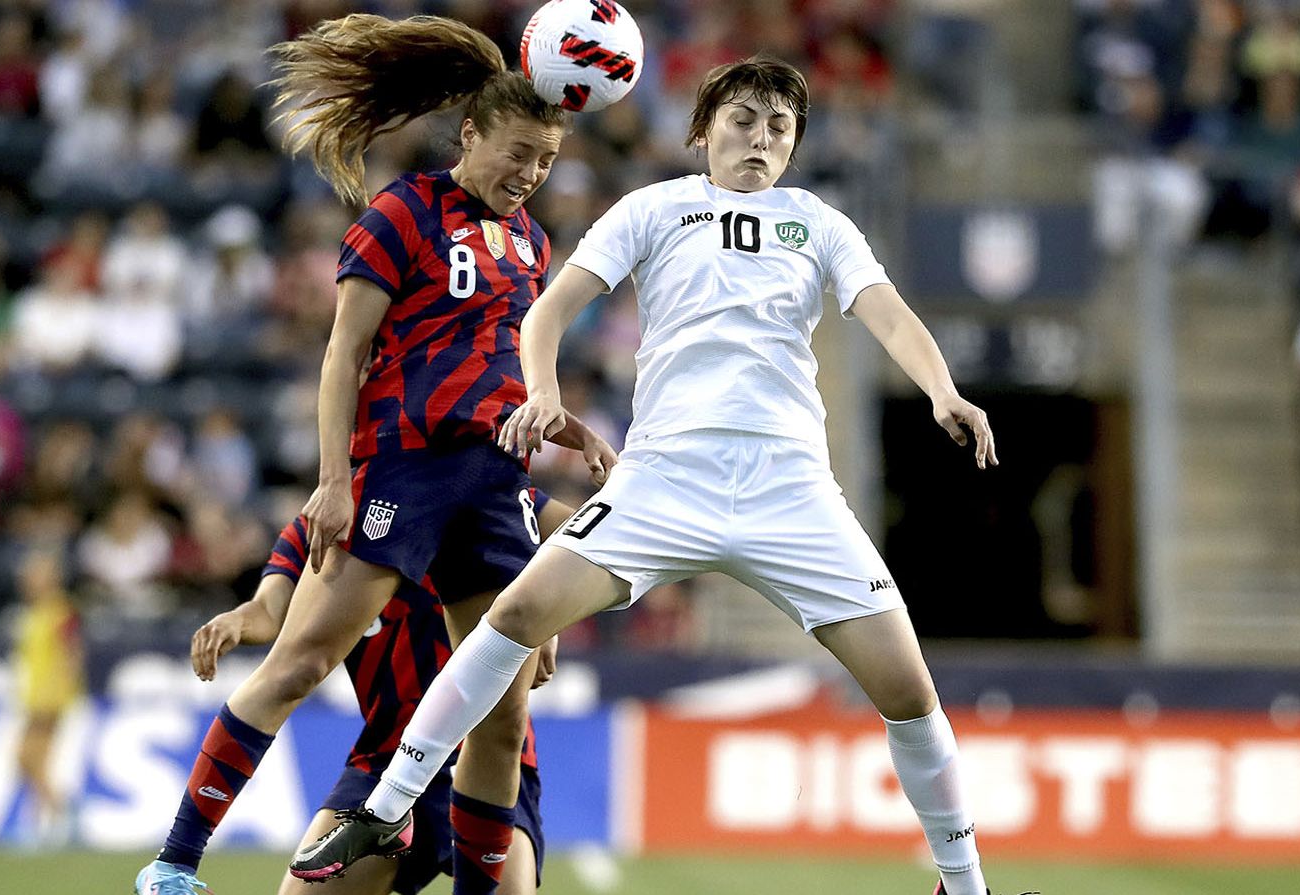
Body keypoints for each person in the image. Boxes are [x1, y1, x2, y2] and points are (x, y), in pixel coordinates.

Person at [300, 56, 1010, 895]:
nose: (761, 140)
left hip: (789, 487)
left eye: (779, 129)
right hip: (665, 477)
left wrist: (942, 389)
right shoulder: (653, 208)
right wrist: (543, 390)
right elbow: (548, 311)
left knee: (908, 688)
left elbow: (888, 312)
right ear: (703, 130)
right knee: (519, 611)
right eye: (744, 121)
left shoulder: (817, 223)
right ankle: (386, 805)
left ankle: (964, 886)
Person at [133, 14, 617, 895]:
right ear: (469, 133)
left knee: (502, 714)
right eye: (516, 152)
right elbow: (343, 354)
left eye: (544, 162)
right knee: (306, 656)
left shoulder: (534, 246)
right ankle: (174, 862)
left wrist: (563, 422)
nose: (528, 175)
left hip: (494, 480)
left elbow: (499, 369)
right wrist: (331, 480)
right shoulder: (405, 211)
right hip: (405, 467)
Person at [188, 491, 580, 895]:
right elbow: (269, 610)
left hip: (482, 757)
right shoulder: (322, 526)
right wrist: (238, 620)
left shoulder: (482, 493)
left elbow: (589, 535)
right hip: (384, 761)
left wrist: (546, 614)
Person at [11, 549, 84, 847]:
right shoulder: (36, 611)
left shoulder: (59, 611)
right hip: (35, 697)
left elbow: (72, 653)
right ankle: (48, 820)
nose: (28, 580)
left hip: (49, 699)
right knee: (33, 761)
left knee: (27, 758)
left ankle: (61, 815)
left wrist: (59, 691)